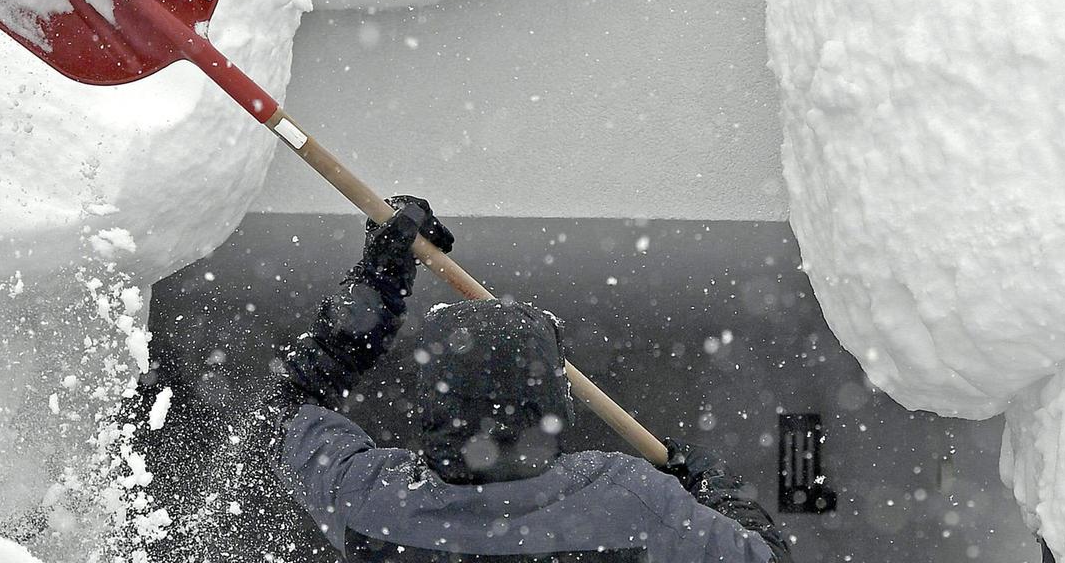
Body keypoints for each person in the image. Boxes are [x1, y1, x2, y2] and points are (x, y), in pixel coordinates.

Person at [264, 195, 791, 562]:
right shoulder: (635, 501)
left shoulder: (372, 501)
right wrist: (713, 491)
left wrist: (381, 280)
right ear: (555, 405)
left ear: (430, 405)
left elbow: (288, 403)